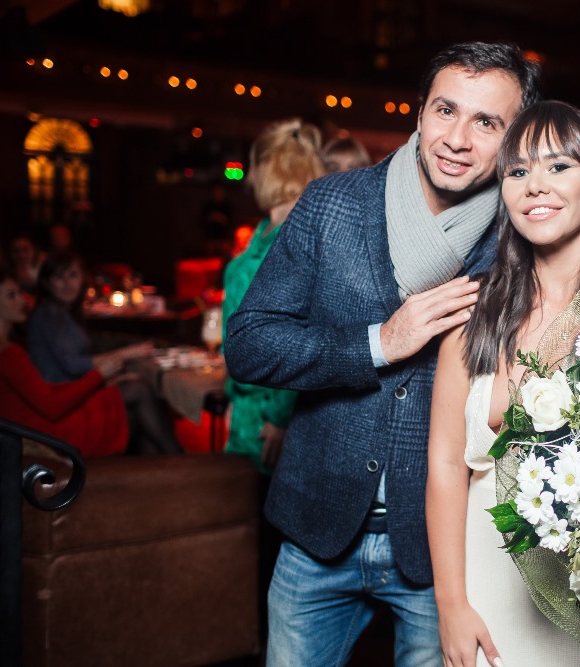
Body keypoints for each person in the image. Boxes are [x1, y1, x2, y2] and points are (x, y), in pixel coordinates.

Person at [224, 41, 541, 667]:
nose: (457, 138)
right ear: (419, 111)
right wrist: (379, 343)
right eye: (445, 110)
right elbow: (249, 344)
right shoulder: (331, 204)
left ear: (513, 139)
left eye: (486, 122)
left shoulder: (521, 236)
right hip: (317, 532)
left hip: (443, 552)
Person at [426, 100, 580, 667]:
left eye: (558, 166)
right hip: (486, 601)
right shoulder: (474, 315)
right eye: (517, 171)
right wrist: (451, 605)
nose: (535, 185)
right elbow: (445, 464)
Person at [220, 116, 325, 642]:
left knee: (277, 555)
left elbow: (303, 338)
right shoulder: (277, 237)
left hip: (275, 425)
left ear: (267, 170)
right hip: (255, 422)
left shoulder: (289, 244)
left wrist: (280, 417)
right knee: (254, 549)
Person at [26, 250, 183, 455]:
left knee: (140, 409)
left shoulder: (61, 312)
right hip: (63, 406)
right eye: (58, 277)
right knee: (139, 391)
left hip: (72, 395)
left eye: (72, 275)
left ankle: (169, 463)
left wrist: (109, 378)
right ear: (47, 282)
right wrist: (126, 354)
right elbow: (73, 365)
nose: (67, 283)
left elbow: (88, 351)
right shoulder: (49, 314)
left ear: (82, 278)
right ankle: (178, 458)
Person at [0, 270, 131, 457]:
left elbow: (42, 392)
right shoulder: (6, 352)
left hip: (26, 430)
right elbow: (52, 407)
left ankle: (156, 466)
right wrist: (99, 375)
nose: (22, 301)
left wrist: (99, 383)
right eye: (11, 295)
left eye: (19, 293)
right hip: (40, 437)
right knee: (132, 397)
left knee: (121, 394)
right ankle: (158, 467)